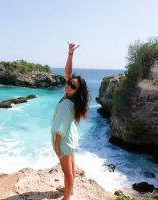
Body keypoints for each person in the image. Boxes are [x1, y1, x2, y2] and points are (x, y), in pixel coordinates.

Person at [51, 42, 90, 200]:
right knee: (72, 166)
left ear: (77, 90)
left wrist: (56, 143)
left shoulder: (67, 104)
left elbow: (61, 126)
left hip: (64, 139)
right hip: (72, 136)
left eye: (72, 85)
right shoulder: (73, 99)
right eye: (68, 83)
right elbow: (68, 73)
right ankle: (70, 190)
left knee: (67, 171)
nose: (67, 86)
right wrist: (70, 54)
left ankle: (67, 197)